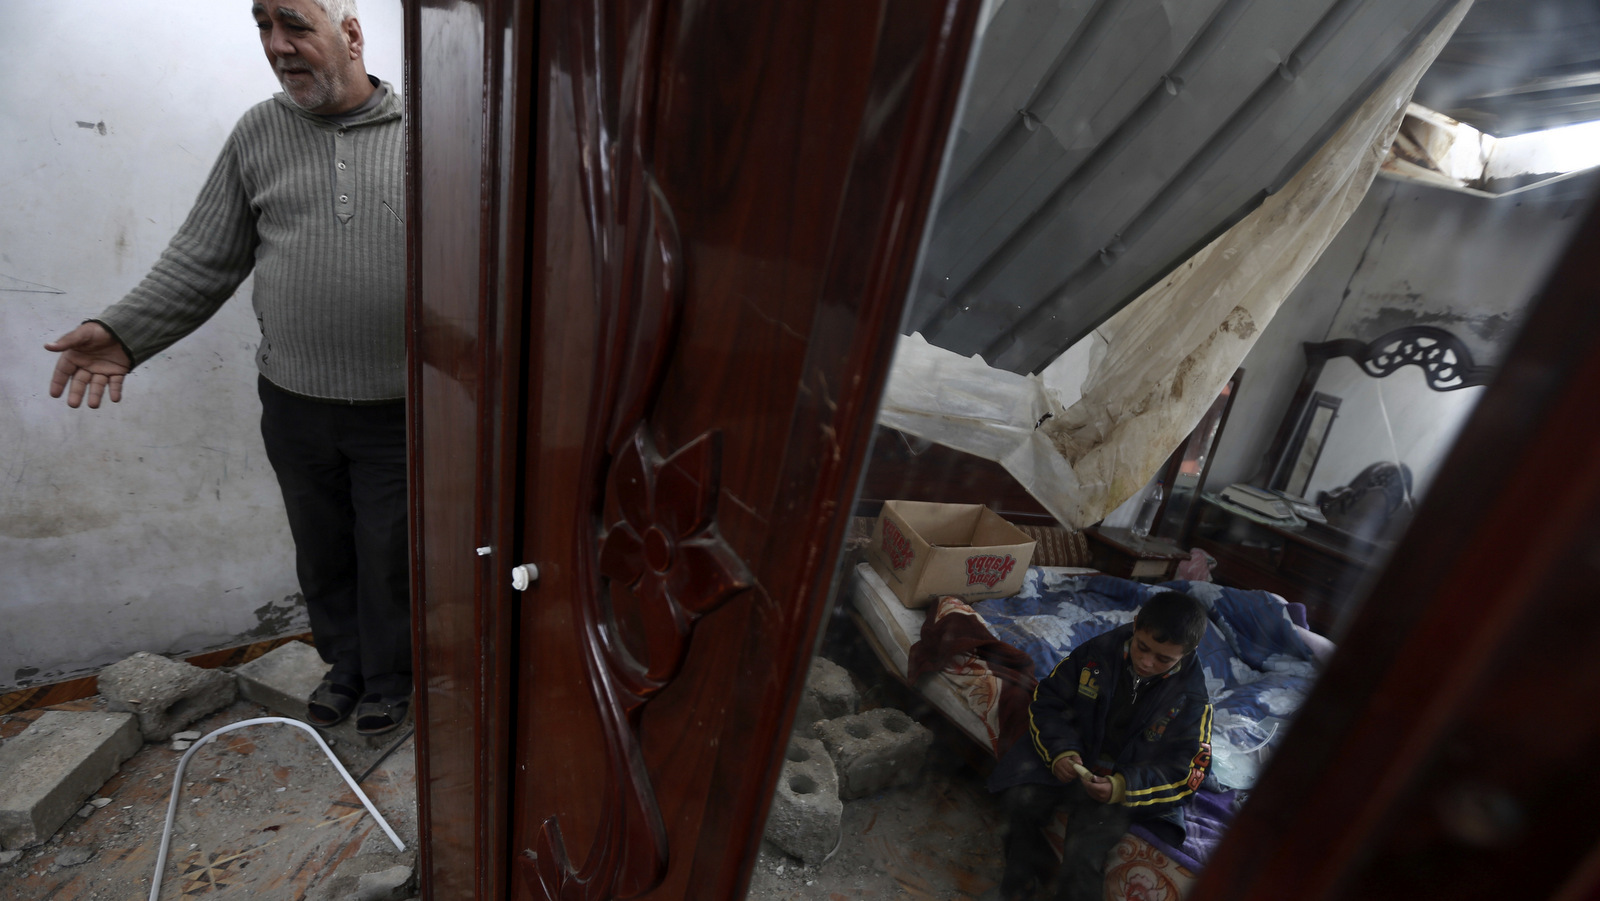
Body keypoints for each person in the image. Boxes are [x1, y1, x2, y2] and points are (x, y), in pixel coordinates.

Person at [43, 0, 410, 735]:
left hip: (401, 409)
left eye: (295, 24)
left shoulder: (429, 136)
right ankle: (345, 667)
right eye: (262, 27)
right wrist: (124, 330)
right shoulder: (259, 132)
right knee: (324, 551)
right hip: (296, 402)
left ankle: (394, 678)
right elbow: (204, 256)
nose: (277, 46)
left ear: (352, 34)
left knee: (392, 553)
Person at [988, 591, 1213, 901]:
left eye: (1163, 659)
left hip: (1123, 786)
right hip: (1076, 759)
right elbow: (1049, 701)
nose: (1147, 662)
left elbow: (1189, 771)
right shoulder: (1096, 654)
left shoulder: (1193, 700)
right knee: (1020, 801)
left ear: (1189, 652)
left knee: (1084, 852)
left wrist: (1122, 787)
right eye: (1142, 647)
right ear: (1135, 625)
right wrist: (1061, 752)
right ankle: (1019, 890)